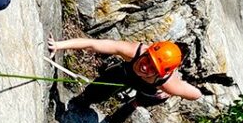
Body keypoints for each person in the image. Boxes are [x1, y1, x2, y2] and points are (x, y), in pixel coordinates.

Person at [46, 36, 203, 105]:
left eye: (152, 68)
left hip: (149, 89)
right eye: (148, 59)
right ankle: (86, 100)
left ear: (160, 73)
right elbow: (93, 44)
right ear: (148, 52)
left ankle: (133, 104)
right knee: (98, 90)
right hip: (124, 74)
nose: (145, 66)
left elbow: (196, 94)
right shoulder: (134, 51)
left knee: (147, 99)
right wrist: (59, 45)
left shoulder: (167, 84)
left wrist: (172, 91)